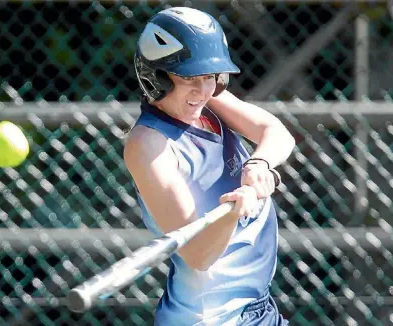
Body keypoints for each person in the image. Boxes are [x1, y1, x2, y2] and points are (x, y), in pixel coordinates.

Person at [123, 7, 295, 326]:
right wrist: (233, 212)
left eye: (209, 77)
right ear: (156, 78)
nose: (202, 90)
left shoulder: (208, 100)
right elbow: (198, 255)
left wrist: (260, 162)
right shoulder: (148, 144)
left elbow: (277, 133)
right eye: (189, 77)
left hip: (256, 310)